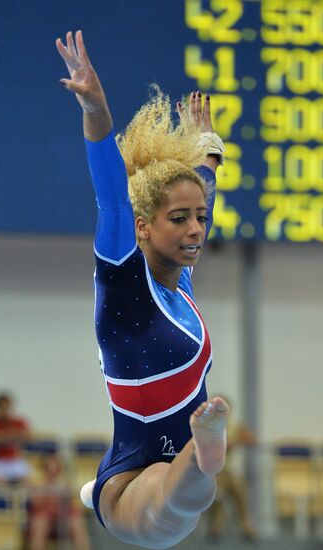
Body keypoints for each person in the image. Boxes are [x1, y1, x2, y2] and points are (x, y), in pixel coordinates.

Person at [56, 30, 229, 549]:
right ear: (141, 227)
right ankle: (205, 452)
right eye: (179, 219)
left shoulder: (182, 282)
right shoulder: (124, 280)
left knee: (187, 498)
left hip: (172, 467)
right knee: (169, 513)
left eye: (200, 218)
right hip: (130, 480)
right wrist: (96, 109)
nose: (196, 229)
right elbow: (111, 196)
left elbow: (201, 199)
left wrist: (209, 155)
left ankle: (202, 455)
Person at [206, 397, 257, 542]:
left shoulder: (233, 427)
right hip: (211, 471)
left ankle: (245, 522)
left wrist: (241, 439)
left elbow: (252, 439)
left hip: (227, 470)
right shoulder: (207, 426)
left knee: (238, 485)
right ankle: (216, 524)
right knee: (221, 486)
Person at [28, 453, 91, 550]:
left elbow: (72, 504)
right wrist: (45, 491)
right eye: (50, 467)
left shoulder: (65, 482)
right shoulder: (38, 482)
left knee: (77, 521)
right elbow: (36, 503)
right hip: (44, 514)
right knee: (40, 522)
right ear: (45, 468)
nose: (53, 470)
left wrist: (66, 494)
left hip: (63, 515)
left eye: (55, 468)